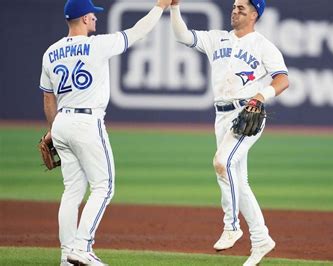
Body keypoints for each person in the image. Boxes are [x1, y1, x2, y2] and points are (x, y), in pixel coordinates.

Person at [39, 0, 172, 265]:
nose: (96, 19)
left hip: (62, 123)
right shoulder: (97, 45)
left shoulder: (50, 52)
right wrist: (160, 6)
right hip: (87, 122)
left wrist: (52, 130)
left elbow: (48, 98)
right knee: (104, 186)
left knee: (72, 191)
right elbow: (138, 31)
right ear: (86, 18)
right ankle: (82, 247)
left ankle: (66, 257)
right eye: (94, 15)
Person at [169, 0, 289, 265]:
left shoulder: (263, 46)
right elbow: (181, 35)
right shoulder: (217, 39)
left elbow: (282, 80)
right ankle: (261, 239)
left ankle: (232, 225)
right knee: (239, 180)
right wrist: (175, 7)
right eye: (234, 7)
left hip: (247, 112)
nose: (235, 11)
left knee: (221, 163)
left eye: (242, 8)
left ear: (255, 14)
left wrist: (261, 95)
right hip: (221, 115)